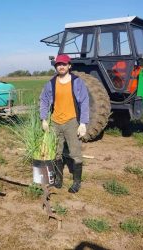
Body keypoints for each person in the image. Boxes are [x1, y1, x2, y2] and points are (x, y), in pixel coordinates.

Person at [39, 54, 89, 193]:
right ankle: (59, 180)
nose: (61, 66)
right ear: (56, 66)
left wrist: (83, 123)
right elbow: (44, 100)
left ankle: (77, 182)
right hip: (55, 122)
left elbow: (84, 102)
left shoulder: (77, 82)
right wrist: (44, 119)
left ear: (69, 66)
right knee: (57, 153)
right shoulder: (51, 83)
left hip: (72, 122)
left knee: (75, 153)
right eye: (58, 64)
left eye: (64, 64)